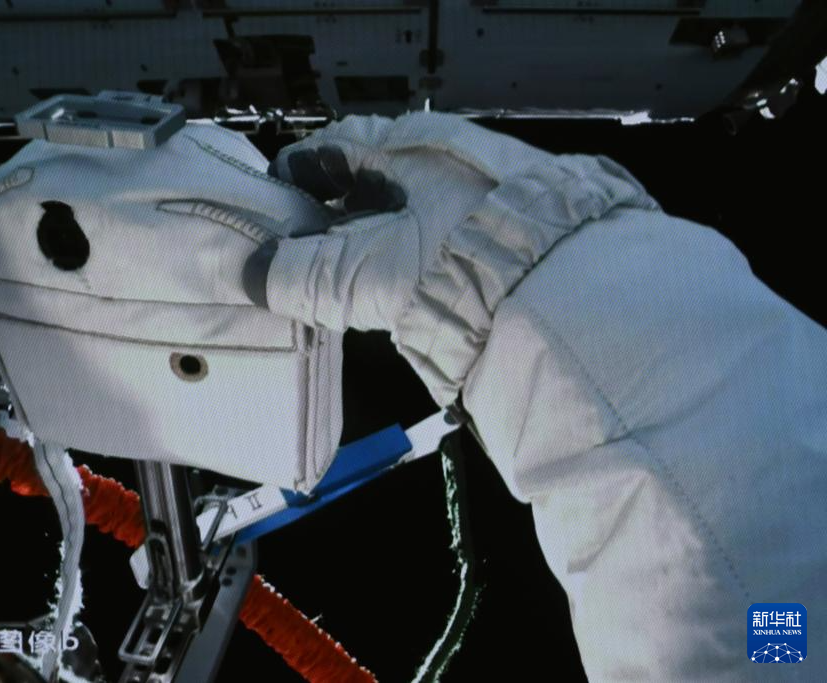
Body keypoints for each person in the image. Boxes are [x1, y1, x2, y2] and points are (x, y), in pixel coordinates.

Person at [245, 113, 827, 680]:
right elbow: (777, 612)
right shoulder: (777, 636)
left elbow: (770, 608)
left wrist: (525, 257)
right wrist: (528, 260)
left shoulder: (772, 636)